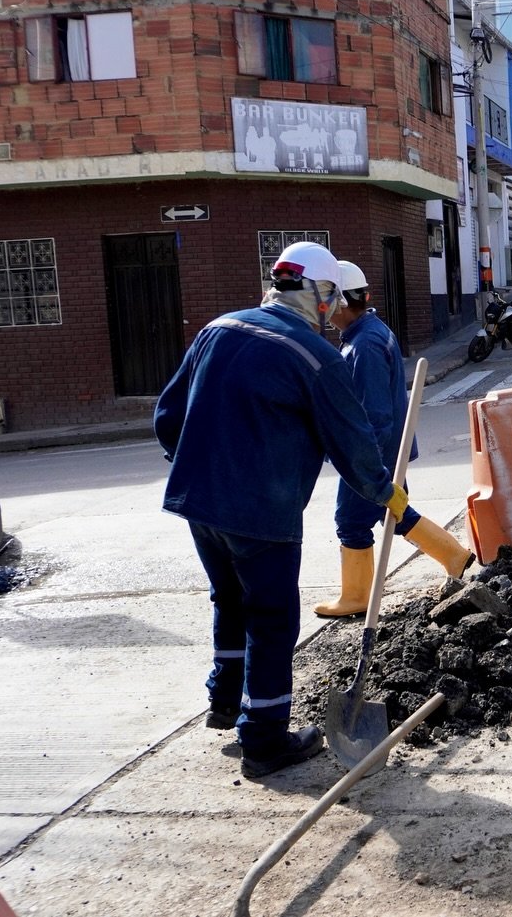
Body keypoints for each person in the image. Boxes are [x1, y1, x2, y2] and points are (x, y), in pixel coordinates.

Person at [154, 241, 425, 779]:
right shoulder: (315, 356)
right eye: (332, 299)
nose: (333, 310)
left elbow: (168, 416)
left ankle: (224, 702)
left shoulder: (218, 329)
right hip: (263, 511)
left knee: (229, 599)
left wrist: (200, 465)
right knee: (272, 618)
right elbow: (353, 445)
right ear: (321, 296)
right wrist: (385, 493)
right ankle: (264, 739)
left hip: (199, 502)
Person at [313, 262, 473, 617]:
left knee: (351, 522)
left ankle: (357, 597)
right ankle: (454, 556)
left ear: (341, 302)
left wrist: (366, 463)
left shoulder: (364, 345)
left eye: (325, 301)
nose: (322, 310)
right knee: (395, 513)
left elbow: (375, 415)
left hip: (372, 453)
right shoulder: (371, 332)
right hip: (385, 451)